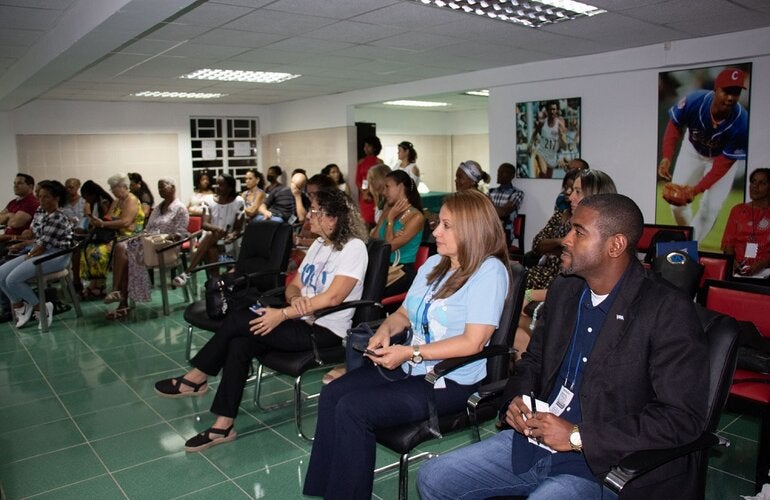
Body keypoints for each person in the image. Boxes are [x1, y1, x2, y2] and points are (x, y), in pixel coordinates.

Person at [417, 193, 709, 500]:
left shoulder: (665, 309)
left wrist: (577, 436)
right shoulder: (565, 291)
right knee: (433, 478)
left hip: (605, 465)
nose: (565, 240)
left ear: (616, 245)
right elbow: (533, 361)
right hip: (534, 444)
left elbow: (681, 418)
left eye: (578, 232)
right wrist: (517, 399)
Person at [303, 189, 510, 499]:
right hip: (410, 366)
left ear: (473, 229)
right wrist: (385, 331)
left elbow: (474, 341)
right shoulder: (435, 265)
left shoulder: (489, 271)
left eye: (446, 225)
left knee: (353, 409)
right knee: (333, 393)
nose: (435, 231)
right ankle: (326, 491)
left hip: (447, 379)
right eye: (438, 222)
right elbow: (402, 313)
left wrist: (410, 352)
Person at [154, 188, 369, 452]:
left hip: (324, 331)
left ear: (333, 218)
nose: (308, 218)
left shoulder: (354, 248)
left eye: (314, 212)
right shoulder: (319, 245)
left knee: (238, 321)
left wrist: (283, 314)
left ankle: (197, 376)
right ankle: (223, 425)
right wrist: (293, 300)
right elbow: (295, 285)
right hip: (299, 319)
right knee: (240, 344)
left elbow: (334, 298)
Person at [518, 169, 616, 357]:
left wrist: (530, 295)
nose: (570, 196)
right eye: (571, 190)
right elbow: (538, 244)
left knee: (512, 321)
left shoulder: (597, 242)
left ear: (595, 196)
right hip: (550, 284)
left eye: (578, 191)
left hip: (564, 298)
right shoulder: (563, 218)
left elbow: (577, 289)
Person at [658, 67, 749, 240]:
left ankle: (692, 246)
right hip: (692, 151)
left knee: (710, 208)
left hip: (719, 161)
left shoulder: (742, 122)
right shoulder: (694, 101)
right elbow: (674, 127)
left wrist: (696, 190)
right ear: (716, 89)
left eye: (735, 92)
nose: (730, 97)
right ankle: (688, 239)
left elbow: (722, 165)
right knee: (676, 204)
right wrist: (667, 157)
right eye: (726, 91)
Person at [105, 177, 189, 319]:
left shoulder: (180, 208)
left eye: (164, 187)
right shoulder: (157, 208)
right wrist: (142, 237)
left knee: (126, 252)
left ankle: (120, 298)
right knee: (121, 247)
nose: (160, 190)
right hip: (148, 245)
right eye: (159, 187)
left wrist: (158, 239)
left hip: (165, 248)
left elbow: (180, 235)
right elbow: (148, 229)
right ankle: (118, 296)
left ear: (173, 188)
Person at [0, 180, 73, 329]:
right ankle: (20, 306)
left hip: (56, 256)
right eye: (39, 196)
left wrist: (28, 257)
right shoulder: (42, 212)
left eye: (45, 197)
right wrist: (22, 245)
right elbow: (35, 237)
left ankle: (41, 308)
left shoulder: (59, 217)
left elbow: (43, 246)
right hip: (38, 251)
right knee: (1, 274)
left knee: (13, 279)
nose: (41, 200)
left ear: (56, 198)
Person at [172, 173, 244, 287]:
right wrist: (218, 229)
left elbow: (238, 228)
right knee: (211, 241)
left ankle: (189, 273)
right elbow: (205, 224)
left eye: (221, 185)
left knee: (211, 247)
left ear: (230, 188)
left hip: (228, 244)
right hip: (209, 239)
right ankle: (216, 284)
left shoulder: (239, 202)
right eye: (217, 184)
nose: (217, 187)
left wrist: (233, 234)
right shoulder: (209, 200)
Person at [83, 174, 145, 299]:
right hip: (115, 235)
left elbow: (125, 222)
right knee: (90, 248)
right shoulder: (116, 201)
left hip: (131, 236)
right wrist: (96, 220)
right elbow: (109, 217)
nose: (111, 191)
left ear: (122, 186)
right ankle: (96, 284)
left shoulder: (131, 200)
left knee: (100, 251)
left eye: (113, 187)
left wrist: (103, 224)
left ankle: (103, 287)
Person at [371, 169, 426, 296]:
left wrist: (390, 221)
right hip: (383, 266)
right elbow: (373, 241)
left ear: (400, 186)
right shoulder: (388, 210)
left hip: (402, 270)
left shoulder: (416, 217)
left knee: (371, 291)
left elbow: (388, 246)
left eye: (387, 187)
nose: (384, 192)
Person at [722, 167, 770, 278]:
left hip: (766, 271)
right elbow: (728, 244)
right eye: (753, 182)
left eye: (762, 183)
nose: (755, 186)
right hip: (737, 270)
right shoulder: (738, 210)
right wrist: (733, 264)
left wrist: (759, 266)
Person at [0, 174, 40, 252]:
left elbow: (14, 223)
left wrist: (7, 217)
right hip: (5, 240)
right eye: (14, 183)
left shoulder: (32, 202)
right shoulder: (13, 202)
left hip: (17, 241)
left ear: (30, 186)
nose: (15, 186)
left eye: (20, 183)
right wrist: (9, 215)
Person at [488, 162, 524, 246]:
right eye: (498, 172)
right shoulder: (491, 191)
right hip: (489, 230)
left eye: (501, 172)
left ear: (511, 176)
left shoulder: (517, 193)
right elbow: (484, 211)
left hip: (505, 232)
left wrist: (489, 205)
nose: (498, 174)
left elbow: (504, 213)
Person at [530, 100, 567, 179]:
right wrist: (529, 146)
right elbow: (534, 134)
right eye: (550, 109)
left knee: (547, 177)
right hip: (542, 153)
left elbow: (564, 145)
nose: (552, 111)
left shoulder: (560, 124)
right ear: (547, 110)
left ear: (557, 110)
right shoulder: (542, 123)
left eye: (554, 109)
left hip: (552, 155)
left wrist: (561, 136)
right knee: (544, 172)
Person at [356, 136, 384, 228]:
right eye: (365, 146)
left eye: (368, 146)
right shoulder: (361, 162)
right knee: (363, 221)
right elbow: (358, 180)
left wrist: (369, 192)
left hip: (374, 195)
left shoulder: (379, 162)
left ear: (374, 147)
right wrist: (364, 192)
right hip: (364, 196)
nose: (365, 148)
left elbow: (381, 179)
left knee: (375, 219)